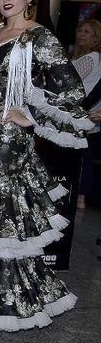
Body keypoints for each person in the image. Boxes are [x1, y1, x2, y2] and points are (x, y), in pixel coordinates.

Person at [0, 0, 87, 331]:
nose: (5, 0)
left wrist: (31, 116)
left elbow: (71, 88)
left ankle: (11, 303)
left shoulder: (38, 36)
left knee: (1, 220)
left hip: (9, 142)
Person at [71, 19, 101, 209]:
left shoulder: (92, 58)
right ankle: (80, 195)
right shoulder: (87, 57)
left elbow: (69, 82)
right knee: (84, 156)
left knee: (82, 157)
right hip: (85, 114)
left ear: (96, 37)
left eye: (87, 32)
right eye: (80, 30)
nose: (82, 34)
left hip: (83, 115)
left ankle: (80, 195)